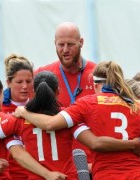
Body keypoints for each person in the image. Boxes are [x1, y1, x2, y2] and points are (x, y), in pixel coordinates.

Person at [0, 70, 140, 179]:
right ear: (58, 91)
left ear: (34, 91)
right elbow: (95, 143)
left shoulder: (18, 120)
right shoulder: (68, 118)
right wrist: (131, 143)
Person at [14, 61, 140, 179]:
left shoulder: (86, 104)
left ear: (96, 83)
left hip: (106, 175)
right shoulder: (137, 107)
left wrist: (24, 112)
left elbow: (50, 124)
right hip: (135, 173)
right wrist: (131, 144)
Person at [34, 22, 96, 168]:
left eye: (71, 44)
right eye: (61, 45)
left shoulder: (99, 74)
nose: (65, 50)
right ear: (54, 44)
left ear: (81, 42)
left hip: (94, 162)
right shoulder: (42, 75)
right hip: (59, 166)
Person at [2, 54, 34, 179]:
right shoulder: (0, 109)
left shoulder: (39, 107)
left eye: (29, 81)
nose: (25, 86)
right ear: (8, 82)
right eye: (19, 82)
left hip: (36, 174)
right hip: (11, 175)